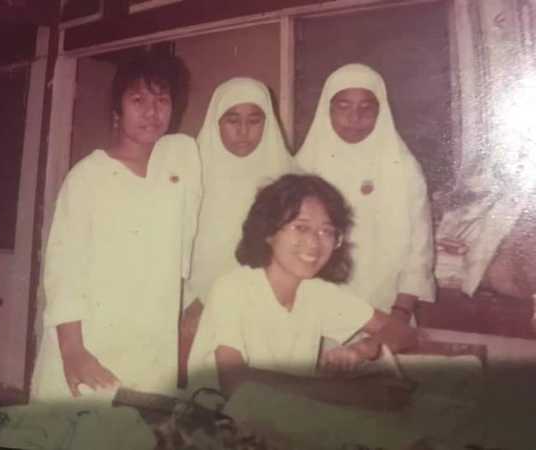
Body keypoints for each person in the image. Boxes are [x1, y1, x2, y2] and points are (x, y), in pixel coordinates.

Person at [30, 51, 201, 400]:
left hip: (150, 338)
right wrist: (73, 350)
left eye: (162, 100)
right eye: (138, 100)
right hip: (90, 339)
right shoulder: (88, 176)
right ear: (117, 110)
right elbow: (63, 270)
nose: (151, 112)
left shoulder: (178, 171)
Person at [188, 174, 418, 411]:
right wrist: (348, 393)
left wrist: (363, 349)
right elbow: (235, 384)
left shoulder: (315, 292)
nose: (314, 242)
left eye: (326, 231)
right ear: (268, 232)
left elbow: (403, 333)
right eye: (301, 227)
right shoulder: (232, 288)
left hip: (282, 419)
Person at [296, 63, 435, 322]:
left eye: (366, 108)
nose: (354, 118)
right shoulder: (304, 167)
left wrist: (401, 311)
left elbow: (420, 246)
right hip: (314, 308)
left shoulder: (403, 167)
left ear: (381, 111)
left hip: (388, 307)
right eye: (343, 106)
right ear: (327, 109)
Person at [180, 78, 294, 380]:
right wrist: (190, 301)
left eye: (254, 120)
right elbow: (173, 245)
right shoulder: (190, 172)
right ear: (216, 122)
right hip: (196, 304)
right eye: (233, 120)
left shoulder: (288, 177)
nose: (243, 131)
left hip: (264, 304)